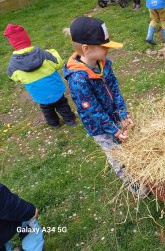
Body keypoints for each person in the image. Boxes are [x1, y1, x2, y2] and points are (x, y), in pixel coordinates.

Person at [63, 16, 149, 198]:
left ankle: (142, 171)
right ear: (86, 49)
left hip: (114, 117)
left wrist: (122, 113)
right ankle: (136, 186)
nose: (108, 49)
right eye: (104, 46)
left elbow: (115, 89)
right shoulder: (78, 79)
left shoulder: (104, 64)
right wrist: (114, 130)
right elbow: (92, 111)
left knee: (128, 146)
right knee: (117, 156)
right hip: (100, 128)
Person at [3, 24, 76, 129]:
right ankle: (70, 120)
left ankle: (54, 124)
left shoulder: (13, 65)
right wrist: (53, 52)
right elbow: (58, 63)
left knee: (47, 109)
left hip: (39, 94)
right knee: (62, 104)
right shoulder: (44, 54)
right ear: (27, 39)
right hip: (55, 89)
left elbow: (13, 77)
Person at [0, 183, 44, 251]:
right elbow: (8, 203)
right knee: (29, 222)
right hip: (8, 225)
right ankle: (35, 248)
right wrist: (30, 211)